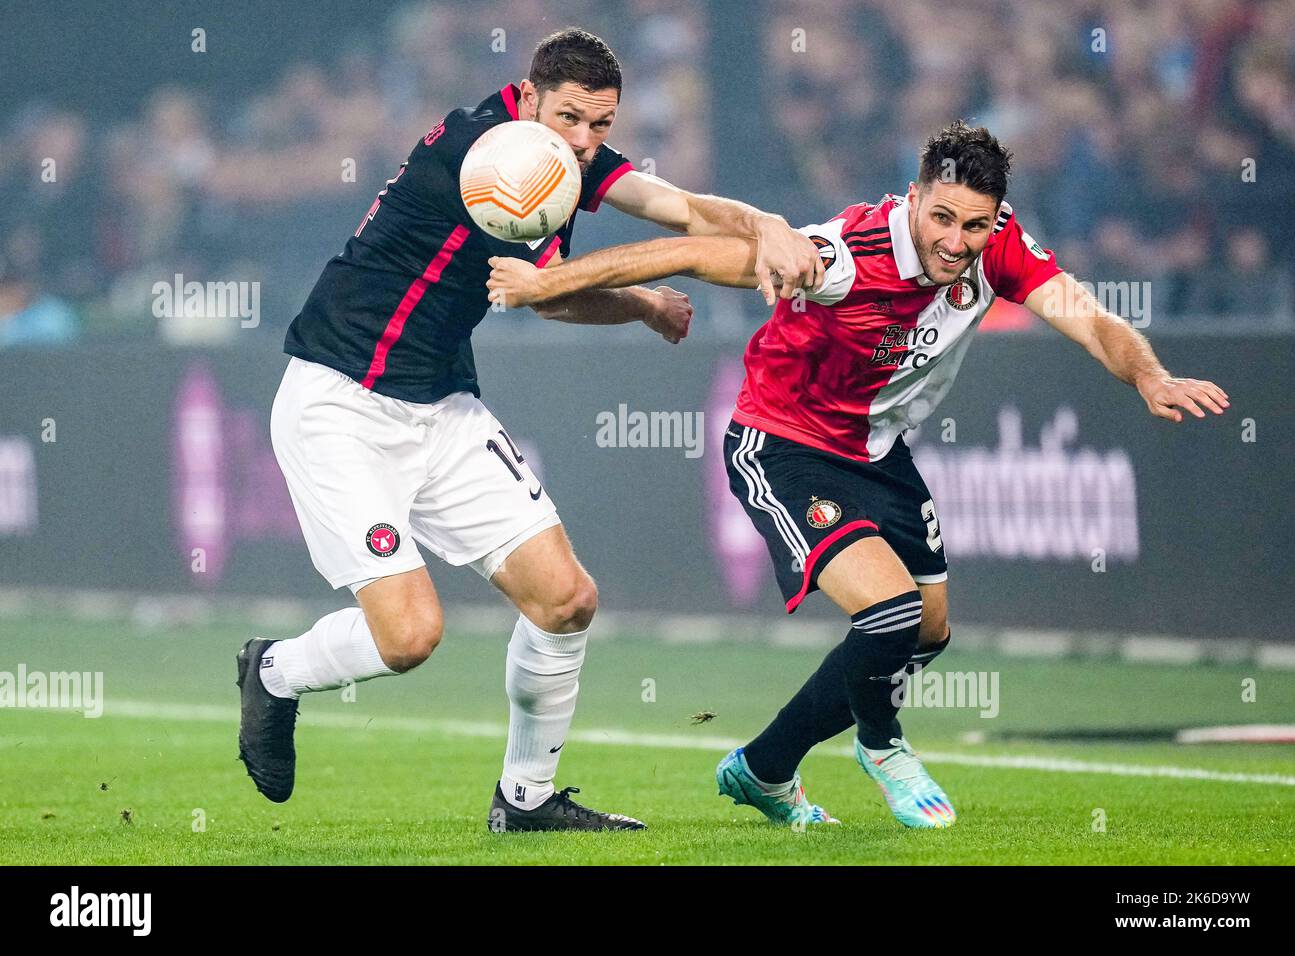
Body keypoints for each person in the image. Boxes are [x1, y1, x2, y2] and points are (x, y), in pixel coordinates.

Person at [485, 120, 1230, 829]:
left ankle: (764, 766)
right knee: (889, 615)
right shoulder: (840, 255)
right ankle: (884, 745)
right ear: (913, 198)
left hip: (878, 450)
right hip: (782, 443)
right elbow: (686, 252)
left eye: (974, 226)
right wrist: (545, 285)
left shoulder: (998, 245)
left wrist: (1149, 378)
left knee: (925, 634)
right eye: (942, 219)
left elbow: (1088, 315)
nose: (956, 241)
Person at [238, 27, 823, 833]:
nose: (584, 143)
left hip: (439, 405)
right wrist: (653, 300)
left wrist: (771, 225)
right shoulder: (494, 154)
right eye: (572, 119)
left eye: (601, 127)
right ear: (530, 93)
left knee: (565, 599)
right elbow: (549, 292)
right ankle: (273, 670)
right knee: (408, 637)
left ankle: (527, 800)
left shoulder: (557, 151)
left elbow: (681, 205)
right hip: (341, 400)